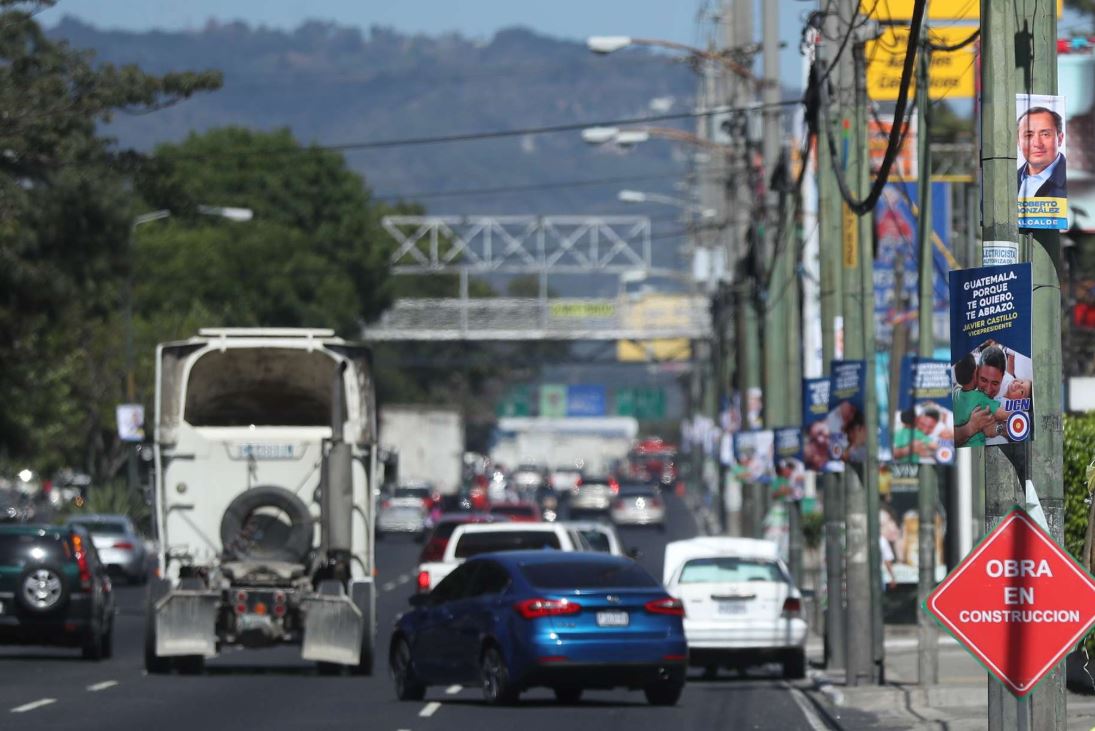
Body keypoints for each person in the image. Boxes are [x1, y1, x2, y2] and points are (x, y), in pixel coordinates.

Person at [1017, 105, 1067, 199]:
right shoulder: (1007, 180)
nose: (1037, 144)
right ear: (1018, 142)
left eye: (1045, 134)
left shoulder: (1075, 182)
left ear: (1060, 139)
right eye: (1028, 135)